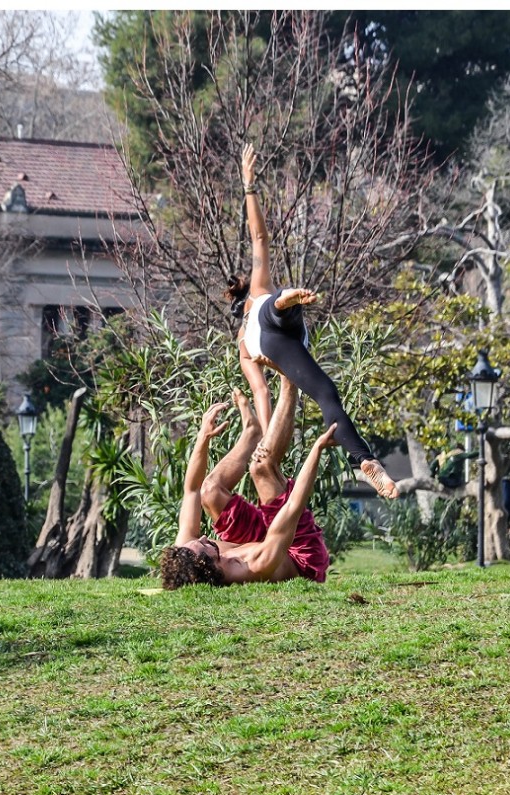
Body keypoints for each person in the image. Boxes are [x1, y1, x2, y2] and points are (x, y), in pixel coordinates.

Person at [227, 142, 397, 499]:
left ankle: (365, 461)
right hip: (275, 320)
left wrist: (268, 437)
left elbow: (262, 395)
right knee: (279, 308)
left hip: (267, 342)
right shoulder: (258, 287)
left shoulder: (241, 347)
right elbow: (259, 236)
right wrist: (248, 184)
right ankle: (287, 298)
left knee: (325, 393)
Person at [157, 375, 336, 589]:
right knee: (262, 467)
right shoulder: (255, 566)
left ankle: (252, 431)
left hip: (261, 540)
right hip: (299, 554)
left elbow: (192, 490)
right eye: (204, 545)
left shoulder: (188, 555)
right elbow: (293, 506)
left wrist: (203, 438)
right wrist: (317, 449)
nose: (204, 536)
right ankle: (289, 379)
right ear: (208, 566)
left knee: (210, 491)